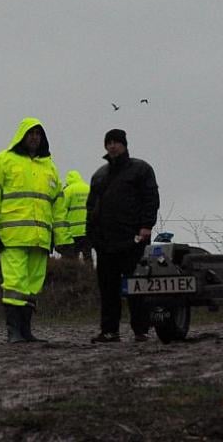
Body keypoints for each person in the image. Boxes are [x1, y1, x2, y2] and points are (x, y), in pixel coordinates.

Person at [0, 118, 68, 343]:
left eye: (39, 133)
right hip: (13, 237)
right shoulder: (4, 160)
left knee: (32, 285)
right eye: (31, 133)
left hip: (40, 239)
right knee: (15, 284)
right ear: (21, 135)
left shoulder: (49, 166)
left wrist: (63, 237)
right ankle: (14, 332)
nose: (35, 137)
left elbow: (57, 203)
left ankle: (26, 331)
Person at [86, 129, 159, 343]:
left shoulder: (141, 169)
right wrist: (91, 234)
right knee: (108, 289)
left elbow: (150, 198)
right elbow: (91, 207)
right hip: (105, 242)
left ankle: (141, 330)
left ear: (125, 144)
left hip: (132, 239)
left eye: (116, 142)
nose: (112, 146)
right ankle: (109, 330)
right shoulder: (99, 174)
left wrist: (146, 226)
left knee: (137, 286)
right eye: (109, 142)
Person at [59, 171, 92, 263]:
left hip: (73, 232)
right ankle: (90, 275)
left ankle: (74, 276)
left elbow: (61, 210)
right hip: (87, 231)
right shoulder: (88, 188)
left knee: (72, 259)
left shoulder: (68, 190)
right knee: (88, 257)